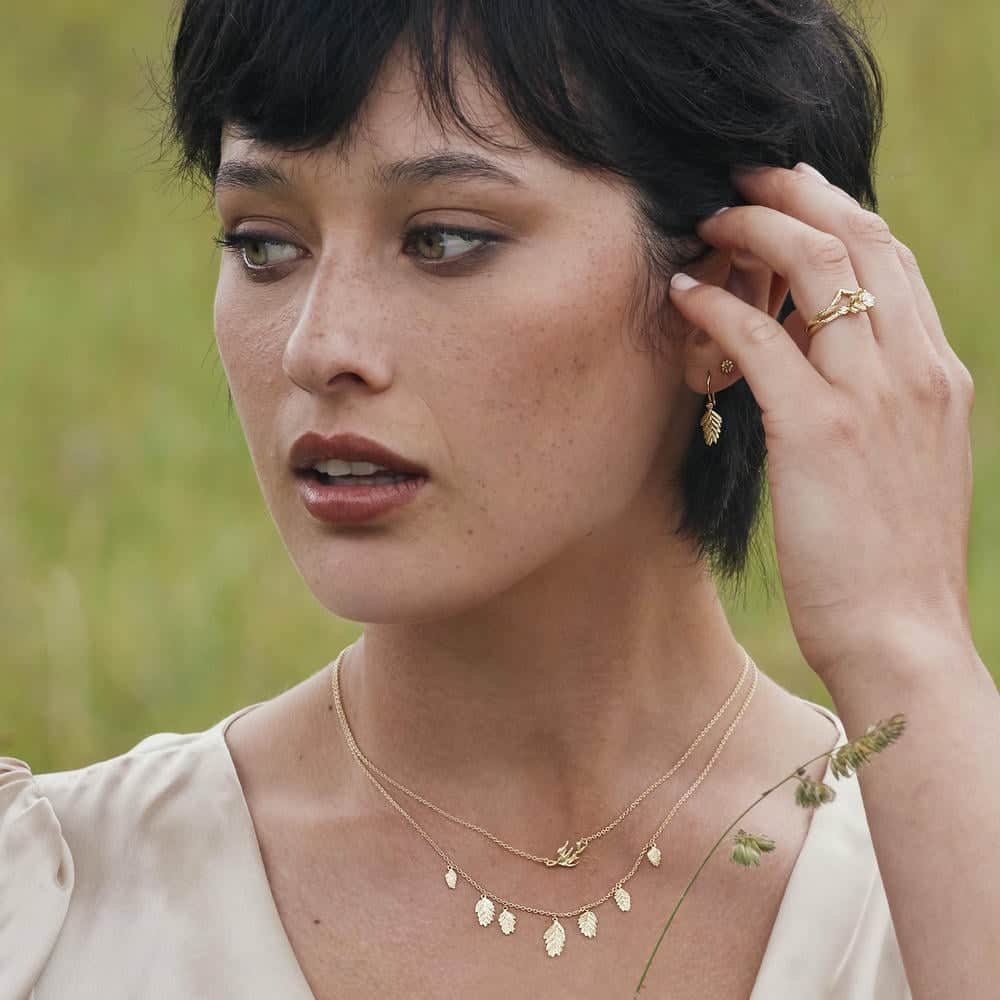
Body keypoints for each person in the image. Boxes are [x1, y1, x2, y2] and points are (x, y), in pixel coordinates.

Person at [3, 1, 997, 997]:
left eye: (440, 239)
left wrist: (904, 644)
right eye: (263, 243)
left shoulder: (918, 892)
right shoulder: (52, 905)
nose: (316, 345)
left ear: (731, 298)